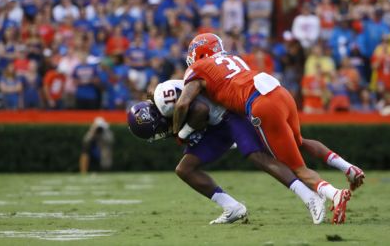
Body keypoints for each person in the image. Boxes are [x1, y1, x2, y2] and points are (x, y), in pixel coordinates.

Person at [173, 33, 365, 224]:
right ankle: (348, 168)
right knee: (298, 141)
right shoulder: (234, 59)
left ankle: (333, 194)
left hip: (261, 104)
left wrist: (177, 131)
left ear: (199, 53)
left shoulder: (197, 68)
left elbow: (182, 104)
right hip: (279, 92)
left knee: (296, 167)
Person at [128, 80, 327, 225]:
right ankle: (232, 207)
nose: (158, 135)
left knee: (260, 156)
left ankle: (309, 196)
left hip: (228, 116)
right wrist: (183, 131)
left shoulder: (165, 99)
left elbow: (201, 111)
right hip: (215, 127)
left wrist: (183, 131)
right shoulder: (164, 107)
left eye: (155, 132)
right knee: (185, 169)